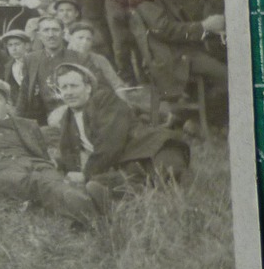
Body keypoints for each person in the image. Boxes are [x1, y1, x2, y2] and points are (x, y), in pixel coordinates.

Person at [0, 79, 104, 227]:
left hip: (35, 163)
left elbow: (43, 154)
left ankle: (85, 211)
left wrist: (51, 165)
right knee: (39, 182)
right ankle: (94, 216)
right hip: (1, 168)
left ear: (7, 102)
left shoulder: (27, 124)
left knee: (54, 181)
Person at [52, 62, 188, 197]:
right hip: (127, 163)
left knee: (170, 183)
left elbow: (110, 142)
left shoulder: (104, 100)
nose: (69, 92)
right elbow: (67, 152)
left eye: (74, 86)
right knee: (106, 183)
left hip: (152, 149)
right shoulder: (67, 119)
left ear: (88, 88)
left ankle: (142, 190)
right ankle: (132, 191)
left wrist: (85, 174)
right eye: (64, 87)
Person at [129, 0, 229, 125]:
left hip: (178, 50)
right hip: (170, 56)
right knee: (227, 75)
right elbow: (163, 29)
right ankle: (200, 121)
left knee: (222, 59)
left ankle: (191, 118)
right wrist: (204, 26)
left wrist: (208, 29)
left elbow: (177, 23)